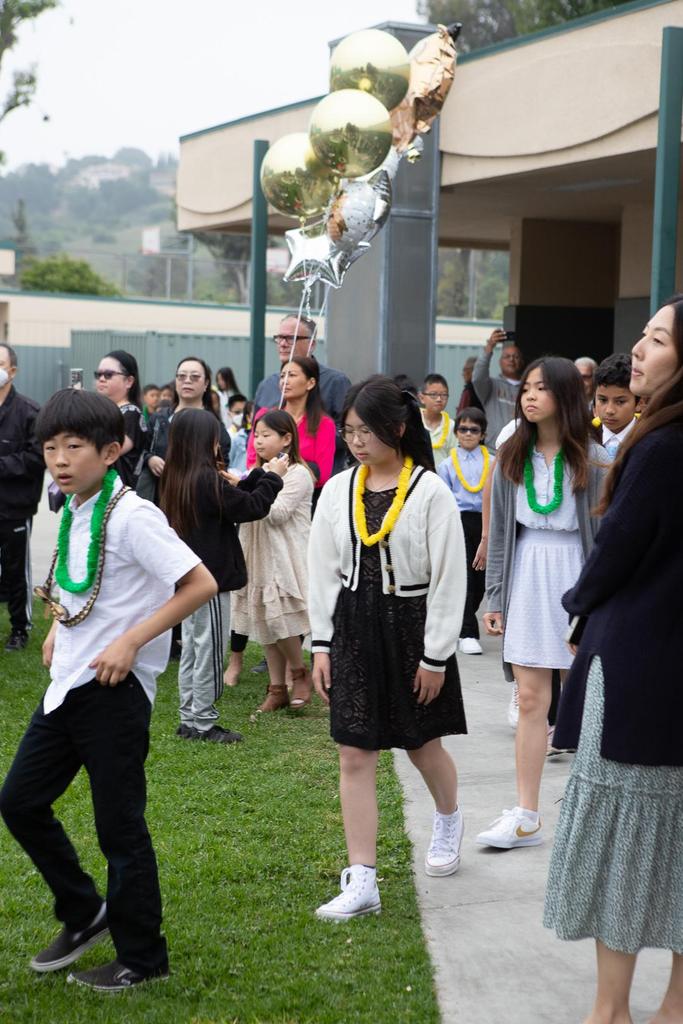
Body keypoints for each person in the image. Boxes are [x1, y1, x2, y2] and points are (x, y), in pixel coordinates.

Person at [0, 388, 216, 992]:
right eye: (50, 448)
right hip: (69, 683)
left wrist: (130, 642)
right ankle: (84, 911)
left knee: (119, 827)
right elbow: (82, 582)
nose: (59, 460)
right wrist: (58, 627)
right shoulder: (75, 507)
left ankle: (143, 959)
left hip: (114, 690)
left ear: (112, 450)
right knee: (19, 801)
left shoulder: (132, 516)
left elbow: (200, 583)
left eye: (74, 447)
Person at [545, 295, 683, 1024]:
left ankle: (610, 1011)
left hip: (638, 668)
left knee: (625, 836)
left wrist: (578, 603)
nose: (639, 349)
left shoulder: (660, 447)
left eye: (656, 338)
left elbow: (615, 553)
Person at [309, 376, 468, 921]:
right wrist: (322, 644)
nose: (356, 441)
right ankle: (363, 879)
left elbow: (449, 579)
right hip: (354, 626)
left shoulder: (430, 491)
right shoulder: (338, 490)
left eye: (367, 431)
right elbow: (321, 570)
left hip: (412, 628)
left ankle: (448, 816)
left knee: (422, 745)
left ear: (397, 429)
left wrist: (436, 655)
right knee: (354, 751)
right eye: (349, 431)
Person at [477, 357, 609, 850]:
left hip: (579, 577)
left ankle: (590, 816)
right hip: (528, 575)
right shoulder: (512, 455)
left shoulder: (594, 460)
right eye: (526, 388)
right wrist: (495, 596)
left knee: (587, 700)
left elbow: (608, 539)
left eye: (541, 388)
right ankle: (526, 814)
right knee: (531, 700)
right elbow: (501, 535)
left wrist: (599, 602)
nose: (529, 396)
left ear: (566, 396)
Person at [159, 408, 285, 743]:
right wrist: (273, 477)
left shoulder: (176, 476)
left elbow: (238, 497)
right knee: (210, 651)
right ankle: (203, 722)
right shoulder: (206, 480)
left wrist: (257, 475)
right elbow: (251, 507)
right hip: (210, 582)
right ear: (205, 441)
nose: (219, 443)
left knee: (192, 648)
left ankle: (189, 718)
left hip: (188, 580)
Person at [231, 410, 314, 712]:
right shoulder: (260, 471)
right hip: (258, 555)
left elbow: (276, 513)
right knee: (265, 619)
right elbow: (245, 507)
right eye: (256, 435)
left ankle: (299, 672)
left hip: (284, 558)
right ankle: (277, 688)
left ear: (287, 439)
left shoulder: (298, 474)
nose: (259, 441)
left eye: (266, 435)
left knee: (283, 621)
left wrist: (266, 480)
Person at [253, 315, 351, 474]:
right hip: (268, 481)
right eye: (279, 338)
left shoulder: (335, 382)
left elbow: (348, 433)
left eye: (290, 338)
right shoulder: (267, 385)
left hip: (318, 480)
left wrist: (305, 435)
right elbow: (254, 437)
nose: (283, 344)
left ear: (311, 344)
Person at [0, 343, 44, 651]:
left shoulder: (29, 411)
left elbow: (37, 457)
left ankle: (20, 628)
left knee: (16, 570)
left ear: (12, 370)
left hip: (14, 507)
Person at [438, 407, 492, 656]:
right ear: (456, 432)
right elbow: (444, 497)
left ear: (482, 435)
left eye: (474, 430)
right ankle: (468, 632)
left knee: (480, 579)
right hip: (459, 520)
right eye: (463, 429)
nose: (468, 434)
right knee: (465, 577)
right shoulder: (447, 464)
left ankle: (463, 619)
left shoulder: (492, 462)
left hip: (484, 520)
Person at [141, 356, 231, 505]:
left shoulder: (214, 426)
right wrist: (150, 459)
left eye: (195, 377)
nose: (187, 381)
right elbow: (141, 450)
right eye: (181, 376)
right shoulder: (158, 419)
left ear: (206, 383)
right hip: (158, 501)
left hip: (197, 503)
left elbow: (221, 466)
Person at [247, 355, 336, 496]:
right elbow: (252, 460)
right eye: (282, 376)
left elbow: (322, 474)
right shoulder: (264, 415)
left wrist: (282, 474)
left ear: (311, 383)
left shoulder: (324, 423)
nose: (285, 381)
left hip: (302, 495)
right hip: (262, 491)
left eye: (292, 375)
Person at [93, 350, 147, 488]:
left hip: (118, 491)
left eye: (108, 374)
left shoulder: (131, 414)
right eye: (98, 374)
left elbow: (108, 452)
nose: (101, 379)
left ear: (129, 381)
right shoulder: (97, 411)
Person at [472, 328, 524, 449]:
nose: (511, 359)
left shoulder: (528, 389)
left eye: (516, 357)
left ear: (522, 362)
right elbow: (477, 377)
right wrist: (490, 346)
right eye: (507, 356)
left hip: (520, 450)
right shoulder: (491, 386)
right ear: (500, 362)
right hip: (493, 450)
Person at [591, 352, 639, 461]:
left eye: (620, 402)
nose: (609, 410)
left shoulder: (649, 440)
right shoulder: (583, 439)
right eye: (603, 400)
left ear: (639, 403)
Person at [419, 373, 456, 469]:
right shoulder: (413, 420)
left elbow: (453, 458)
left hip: (442, 476)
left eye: (443, 395)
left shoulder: (452, 426)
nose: (439, 399)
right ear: (422, 398)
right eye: (433, 395)